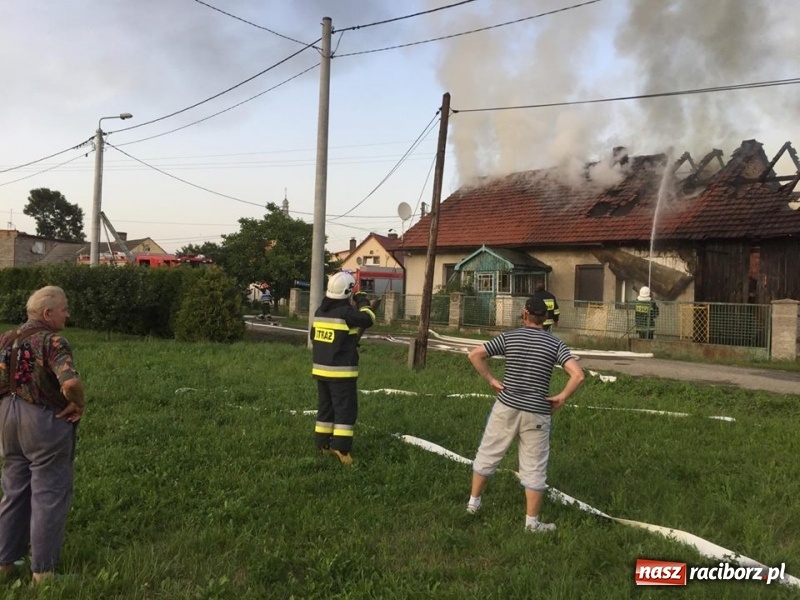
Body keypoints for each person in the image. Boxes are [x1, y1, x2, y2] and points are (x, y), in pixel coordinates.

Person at [466, 296, 584, 532]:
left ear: (525, 314)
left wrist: (490, 379)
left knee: (489, 452)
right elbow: (578, 375)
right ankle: (532, 523)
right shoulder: (555, 344)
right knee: (534, 466)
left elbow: (475, 354)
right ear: (546, 318)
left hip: (506, 406)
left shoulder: (510, 337)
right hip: (537, 412)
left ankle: (473, 504)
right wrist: (561, 397)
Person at [0, 286, 85, 584]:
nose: (67, 314)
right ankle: (44, 573)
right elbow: (70, 381)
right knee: (49, 493)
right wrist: (79, 403)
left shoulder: (6, 338)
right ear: (48, 313)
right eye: (64, 309)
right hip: (42, 422)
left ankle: (5, 564)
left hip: (7, 419)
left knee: (14, 491)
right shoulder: (52, 340)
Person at [311, 272, 376, 465]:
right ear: (347, 291)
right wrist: (362, 299)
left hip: (321, 371)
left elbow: (314, 335)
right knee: (345, 411)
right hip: (341, 373)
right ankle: (341, 449)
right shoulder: (346, 313)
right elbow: (368, 318)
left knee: (326, 409)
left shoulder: (319, 311)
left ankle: (322, 445)